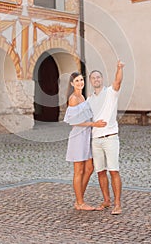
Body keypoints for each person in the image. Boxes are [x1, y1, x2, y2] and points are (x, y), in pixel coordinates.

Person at [64, 72, 107, 211]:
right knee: (79, 170)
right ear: (72, 83)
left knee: (89, 168)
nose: (80, 82)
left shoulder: (82, 97)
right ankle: (80, 203)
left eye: (81, 80)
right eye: (77, 80)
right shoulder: (73, 99)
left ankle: (79, 199)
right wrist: (94, 125)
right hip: (78, 137)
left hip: (86, 136)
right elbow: (74, 122)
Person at [88, 60, 124, 215]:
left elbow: (118, 81)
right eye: (93, 78)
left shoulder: (110, 93)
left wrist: (119, 68)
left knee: (113, 170)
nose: (96, 80)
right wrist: (93, 124)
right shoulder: (89, 100)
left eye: (98, 77)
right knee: (100, 172)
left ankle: (117, 204)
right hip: (96, 140)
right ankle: (106, 200)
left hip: (110, 138)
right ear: (90, 81)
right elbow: (86, 120)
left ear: (102, 79)